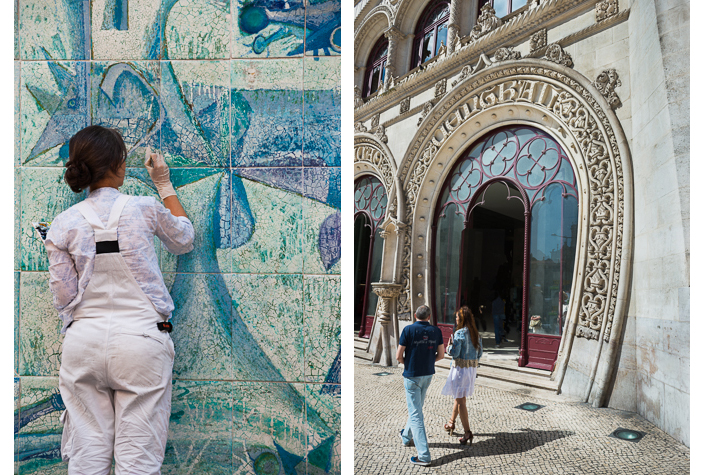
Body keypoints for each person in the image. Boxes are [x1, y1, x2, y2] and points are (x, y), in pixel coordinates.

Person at [44, 125, 195, 474]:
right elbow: (184, 239)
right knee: (138, 460)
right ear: (119, 165)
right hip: (141, 344)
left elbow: (63, 296)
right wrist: (163, 183)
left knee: (86, 455)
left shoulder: (63, 224)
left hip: (83, 345)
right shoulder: (144, 207)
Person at [396, 305, 445, 466]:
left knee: (416, 413)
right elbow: (441, 354)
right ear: (429, 317)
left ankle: (424, 455)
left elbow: (398, 356)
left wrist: (407, 364)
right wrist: (430, 361)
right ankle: (406, 436)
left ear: (415, 315)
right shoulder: (436, 331)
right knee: (416, 409)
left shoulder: (408, 330)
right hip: (427, 374)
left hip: (412, 376)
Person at [442, 306, 483, 445]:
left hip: (459, 369)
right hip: (470, 370)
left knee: (460, 401)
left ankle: (467, 432)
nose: (456, 319)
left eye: (457, 317)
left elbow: (455, 353)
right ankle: (451, 423)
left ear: (462, 318)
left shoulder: (459, 333)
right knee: (459, 398)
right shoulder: (476, 333)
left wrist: (448, 346)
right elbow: (480, 354)